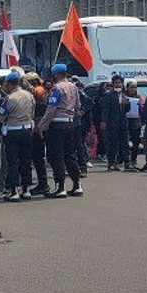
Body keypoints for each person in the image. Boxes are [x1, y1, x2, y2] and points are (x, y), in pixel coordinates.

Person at [37, 63, 83, 198]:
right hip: (70, 123)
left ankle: (60, 187)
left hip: (56, 125)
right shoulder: (73, 87)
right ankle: (77, 185)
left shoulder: (56, 88)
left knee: (56, 156)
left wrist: (41, 125)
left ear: (56, 74)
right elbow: (78, 106)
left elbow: (51, 109)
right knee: (70, 155)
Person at [0, 71, 35, 201]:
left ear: (9, 84)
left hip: (13, 131)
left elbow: (1, 116)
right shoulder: (29, 95)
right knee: (26, 161)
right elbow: (33, 112)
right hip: (27, 130)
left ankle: (14, 191)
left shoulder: (9, 98)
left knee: (13, 162)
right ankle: (26, 190)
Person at [24, 72, 49, 193]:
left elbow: (37, 94)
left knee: (38, 157)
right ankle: (42, 183)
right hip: (39, 126)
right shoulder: (39, 90)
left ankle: (43, 184)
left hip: (38, 127)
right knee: (37, 158)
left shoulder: (39, 90)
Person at [100, 75, 130, 171]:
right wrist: (104, 121)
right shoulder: (108, 95)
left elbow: (127, 110)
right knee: (112, 144)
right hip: (112, 123)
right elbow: (105, 109)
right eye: (116, 83)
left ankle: (127, 163)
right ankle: (111, 163)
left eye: (119, 83)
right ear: (113, 84)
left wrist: (127, 104)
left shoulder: (124, 95)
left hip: (123, 123)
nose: (118, 84)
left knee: (125, 144)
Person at [124, 80, 143, 171]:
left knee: (136, 143)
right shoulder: (123, 96)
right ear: (127, 88)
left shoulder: (139, 97)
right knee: (125, 142)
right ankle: (125, 160)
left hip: (136, 122)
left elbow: (143, 109)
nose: (133, 89)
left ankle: (133, 159)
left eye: (135, 87)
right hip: (125, 122)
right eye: (131, 87)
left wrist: (141, 105)